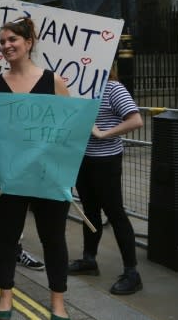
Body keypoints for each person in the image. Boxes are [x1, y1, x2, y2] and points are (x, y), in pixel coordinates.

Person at [0, 17, 70, 320]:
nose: (6, 46)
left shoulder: (54, 81)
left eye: (12, 39)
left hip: (47, 175)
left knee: (53, 237)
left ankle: (58, 301)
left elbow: (68, 125)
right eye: (2, 42)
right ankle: (5, 296)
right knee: (6, 235)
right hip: (7, 174)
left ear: (29, 43)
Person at [68, 61, 144, 295]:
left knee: (115, 213)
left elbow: (136, 120)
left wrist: (103, 134)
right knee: (90, 212)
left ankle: (132, 273)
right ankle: (89, 260)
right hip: (83, 159)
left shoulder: (113, 88)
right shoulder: (78, 86)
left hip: (106, 161)